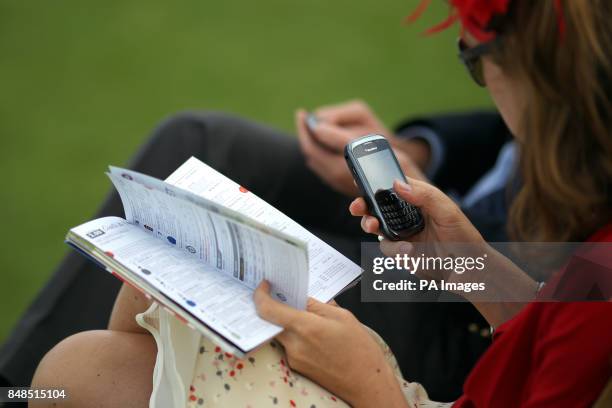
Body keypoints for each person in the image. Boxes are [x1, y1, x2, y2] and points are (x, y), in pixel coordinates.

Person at [24, 0, 612, 406]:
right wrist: (466, 261)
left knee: (84, 366)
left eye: (477, 64)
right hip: (473, 280)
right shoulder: (595, 263)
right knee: (190, 169)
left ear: (546, 85)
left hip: (437, 354)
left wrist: (372, 386)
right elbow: (549, 336)